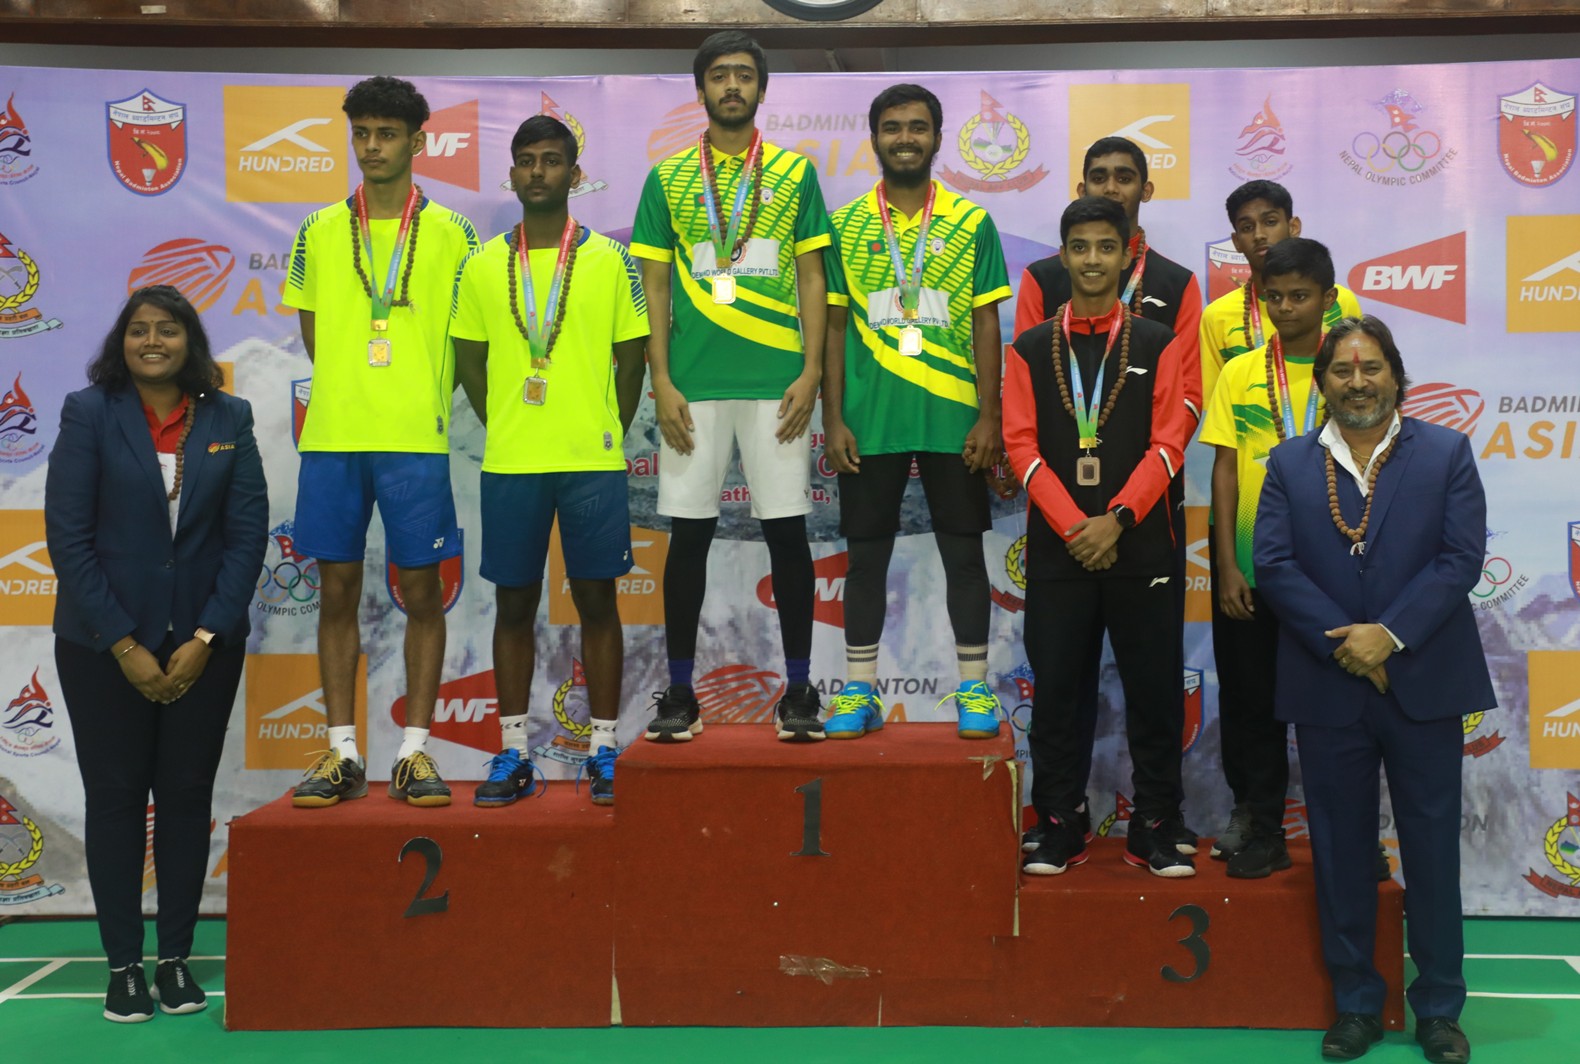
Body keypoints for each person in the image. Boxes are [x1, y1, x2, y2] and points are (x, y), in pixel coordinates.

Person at [1255, 316, 1487, 1064]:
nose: (1358, 382)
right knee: (1341, 851)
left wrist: (1388, 635)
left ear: (1395, 374)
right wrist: (1351, 646)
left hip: (1424, 684)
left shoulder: (1445, 452)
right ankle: (1356, 1005)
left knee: (1432, 852)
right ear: (1321, 382)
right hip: (1329, 690)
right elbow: (1274, 566)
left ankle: (1440, 1011)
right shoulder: (1288, 463)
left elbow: (1459, 559)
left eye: (1372, 367)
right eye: (1343, 370)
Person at [44, 285, 268, 1022]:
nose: (151, 341)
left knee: (184, 799)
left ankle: (173, 959)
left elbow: (246, 537)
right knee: (115, 802)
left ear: (189, 341)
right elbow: (69, 538)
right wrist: (124, 643)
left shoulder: (229, 416)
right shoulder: (89, 412)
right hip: (101, 647)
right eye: (138, 329)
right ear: (122, 341)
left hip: (203, 647)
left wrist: (204, 637)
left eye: (167, 329)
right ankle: (123, 968)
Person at [630, 30, 833, 742]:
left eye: (745, 74)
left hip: (779, 384)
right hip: (694, 386)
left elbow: (812, 276)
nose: (732, 85)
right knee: (688, 539)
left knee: (788, 535)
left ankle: (799, 692)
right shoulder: (668, 178)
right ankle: (682, 695)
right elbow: (655, 285)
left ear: (761, 89)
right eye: (719, 75)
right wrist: (661, 377)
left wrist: (811, 371)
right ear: (701, 90)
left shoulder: (795, 172)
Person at [284, 76, 480, 808]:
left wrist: (408, 397)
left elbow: (470, 341)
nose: (371, 147)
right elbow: (313, 334)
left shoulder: (455, 233)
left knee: (423, 591)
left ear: (417, 141)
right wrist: (354, 389)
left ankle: (414, 752)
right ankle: (341, 753)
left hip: (414, 441)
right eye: (361, 133)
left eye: (387, 134)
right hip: (335, 437)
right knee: (335, 590)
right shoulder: (317, 229)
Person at [453, 115, 649, 805]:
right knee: (514, 603)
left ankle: (603, 749)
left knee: (597, 600)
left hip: (590, 461)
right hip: (512, 462)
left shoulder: (610, 261)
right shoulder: (481, 265)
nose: (538, 171)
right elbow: (469, 363)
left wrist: (605, 430)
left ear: (574, 173)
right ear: (512, 172)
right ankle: (512, 752)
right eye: (527, 160)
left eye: (551, 160)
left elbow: (632, 361)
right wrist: (508, 425)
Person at [1014, 136, 1202, 854]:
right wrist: (1075, 525)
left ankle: (1156, 822)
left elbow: (1174, 433)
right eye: (1079, 248)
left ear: (1128, 257)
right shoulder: (1033, 343)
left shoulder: (1157, 334)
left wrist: (1117, 518)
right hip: (1060, 544)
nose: (1092, 259)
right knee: (1058, 691)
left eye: (1105, 248)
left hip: (1142, 537)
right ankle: (1058, 821)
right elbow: (1022, 443)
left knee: (1155, 690)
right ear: (1064, 256)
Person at [820, 84, 1011, 739]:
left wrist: (989, 416)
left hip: (953, 417)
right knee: (865, 559)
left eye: (918, 127)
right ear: (875, 138)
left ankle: (974, 689)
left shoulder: (971, 221)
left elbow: (986, 323)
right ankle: (859, 690)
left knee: (965, 557)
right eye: (894, 127)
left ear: (936, 137)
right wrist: (833, 418)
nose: (906, 138)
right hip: (870, 420)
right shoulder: (844, 225)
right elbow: (834, 327)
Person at [1198, 181, 1364, 863]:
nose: (1288, 307)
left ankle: (1349, 835)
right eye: (1277, 297)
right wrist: (1226, 565)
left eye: (1301, 296)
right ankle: (1258, 820)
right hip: (1252, 562)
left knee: (1340, 699)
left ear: (1328, 300)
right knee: (1249, 699)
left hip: (1333, 564)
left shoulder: (1350, 369)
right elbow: (1225, 468)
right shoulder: (1240, 371)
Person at [1199, 180, 1363, 407]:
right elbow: (1215, 405)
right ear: (1236, 242)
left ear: (1293, 227)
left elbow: (1360, 375)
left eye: (1270, 222)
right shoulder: (1217, 316)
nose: (1259, 235)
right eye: (1247, 227)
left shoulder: (1340, 302)